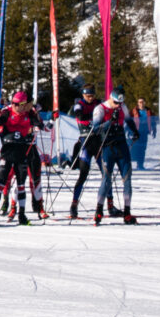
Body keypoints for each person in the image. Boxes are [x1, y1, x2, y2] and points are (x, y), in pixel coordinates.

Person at [0, 90, 45, 226]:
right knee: (1, 183)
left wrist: (39, 126)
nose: (15, 106)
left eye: (18, 104)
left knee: (21, 185)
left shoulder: (29, 114)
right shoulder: (7, 112)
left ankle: (22, 214)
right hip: (7, 153)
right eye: (13, 104)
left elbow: (40, 125)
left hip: (21, 153)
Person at [91, 87, 138, 224]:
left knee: (127, 179)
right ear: (111, 98)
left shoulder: (123, 107)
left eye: (120, 103)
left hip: (122, 146)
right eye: (116, 103)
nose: (118, 106)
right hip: (108, 147)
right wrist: (110, 121)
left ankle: (127, 213)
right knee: (107, 179)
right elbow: (96, 129)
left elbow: (128, 120)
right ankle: (99, 210)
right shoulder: (100, 109)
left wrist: (135, 131)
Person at [65, 84, 98, 218]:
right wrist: (94, 115)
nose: (90, 98)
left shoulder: (98, 104)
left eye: (92, 95)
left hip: (98, 142)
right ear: (83, 95)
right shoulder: (79, 104)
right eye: (88, 96)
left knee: (106, 174)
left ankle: (110, 204)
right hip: (86, 142)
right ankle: (74, 205)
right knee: (83, 175)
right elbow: (79, 115)